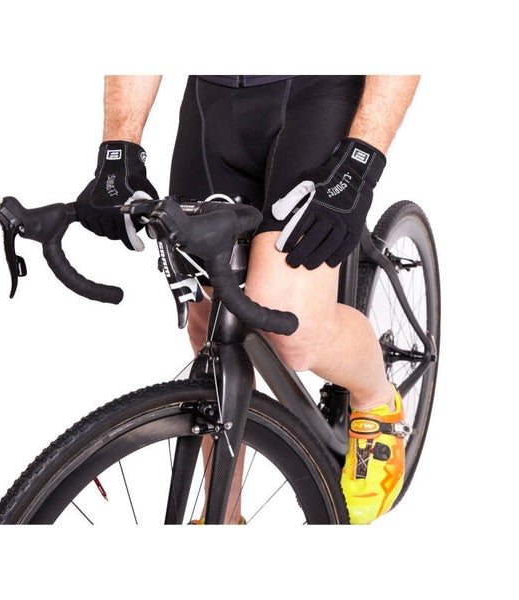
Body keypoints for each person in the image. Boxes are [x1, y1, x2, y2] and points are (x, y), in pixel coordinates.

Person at [76, 74, 420, 525]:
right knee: (208, 317)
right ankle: (223, 516)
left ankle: (376, 400)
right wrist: (117, 150)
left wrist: (361, 163)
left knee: (292, 326)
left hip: (318, 91)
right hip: (214, 101)